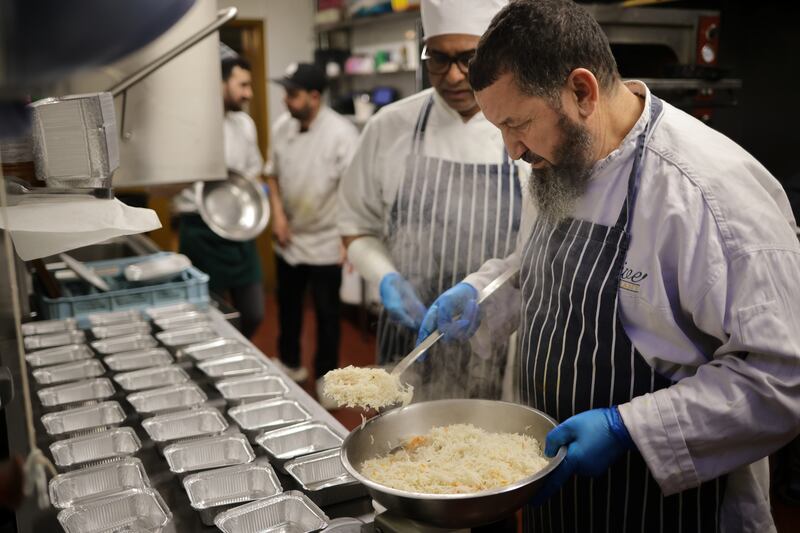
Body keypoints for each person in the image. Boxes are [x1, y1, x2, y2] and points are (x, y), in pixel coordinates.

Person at [419, 1, 800, 531]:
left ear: (581, 91)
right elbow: (539, 267)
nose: (511, 150)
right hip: (556, 484)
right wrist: (483, 293)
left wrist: (628, 429)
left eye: (518, 123)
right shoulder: (560, 157)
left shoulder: (708, 192)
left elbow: (780, 379)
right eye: (499, 128)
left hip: (663, 504)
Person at [338, 0, 528, 401]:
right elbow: (355, 225)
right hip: (406, 338)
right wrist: (385, 277)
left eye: (469, 59)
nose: (454, 76)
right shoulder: (388, 127)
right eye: (438, 58)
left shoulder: (526, 129)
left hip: (495, 344)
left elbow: (540, 250)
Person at [265, 63, 359, 397]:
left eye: (292, 94)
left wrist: (348, 239)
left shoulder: (342, 134)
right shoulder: (281, 128)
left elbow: (352, 190)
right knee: (287, 307)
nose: (285, 101)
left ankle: (326, 378)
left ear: (314, 97)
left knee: (327, 315)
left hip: (325, 239)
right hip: (290, 236)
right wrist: (278, 216)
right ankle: (290, 362)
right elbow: (272, 175)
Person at [175, 55, 265, 339]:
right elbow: (164, 187)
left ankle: (241, 351)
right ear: (221, 83)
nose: (249, 93)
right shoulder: (190, 125)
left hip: (238, 229)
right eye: (243, 85)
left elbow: (254, 173)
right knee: (209, 315)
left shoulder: (245, 124)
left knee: (253, 313)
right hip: (199, 229)